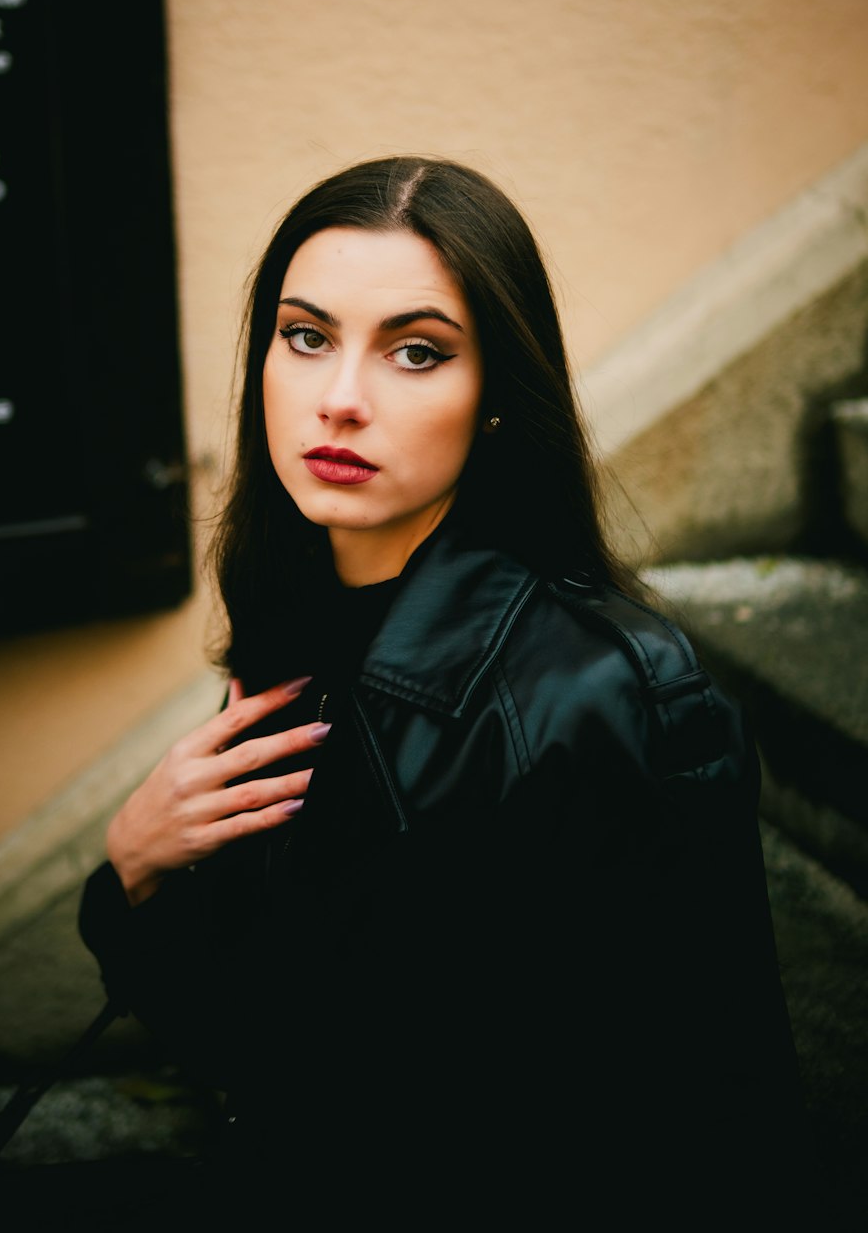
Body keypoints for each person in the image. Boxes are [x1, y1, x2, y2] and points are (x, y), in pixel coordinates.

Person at [79, 155, 810, 1220]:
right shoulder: (292, 629)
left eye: (415, 353)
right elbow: (247, 1033)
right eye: (305, 335)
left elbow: (702, 1110)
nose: (339, 400)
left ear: (498, 399)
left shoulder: (599, 696)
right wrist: (136, 869)